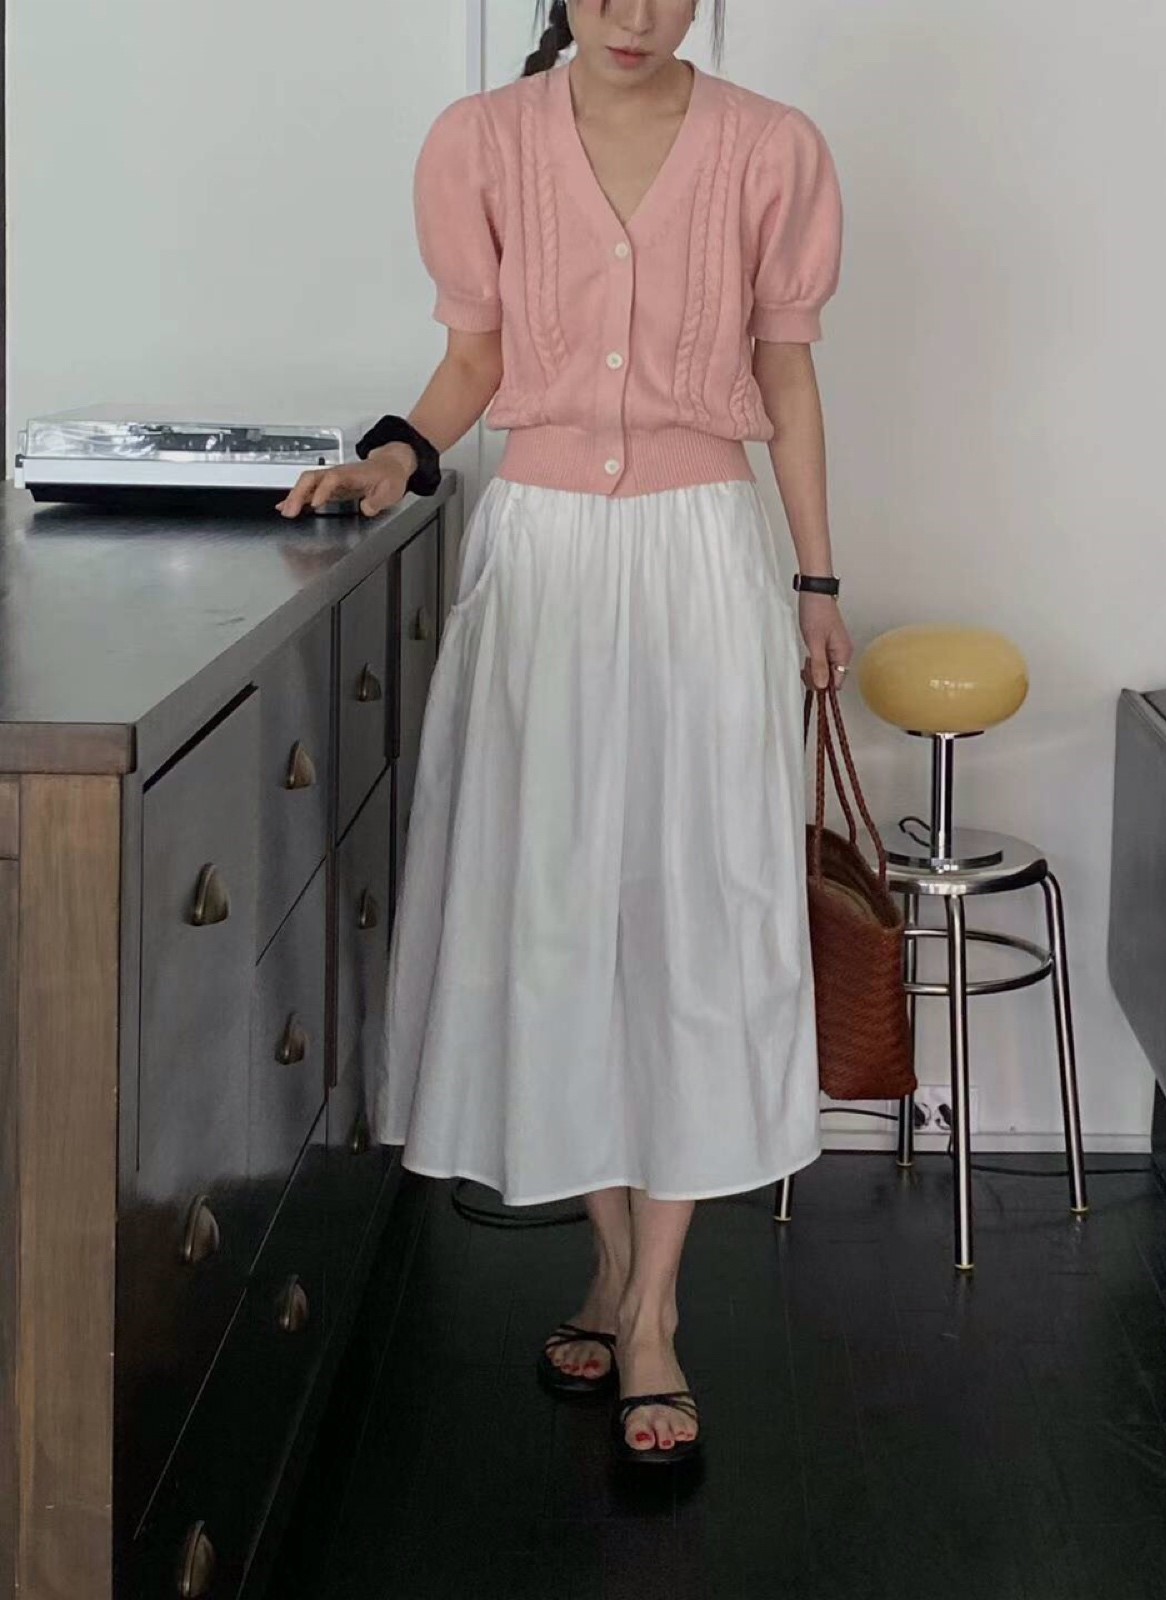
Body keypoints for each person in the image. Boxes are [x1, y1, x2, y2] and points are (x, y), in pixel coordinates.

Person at [278, 0, 852, 1467]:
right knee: (555, 908)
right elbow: (474, 362)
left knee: (695, 908)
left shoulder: (772, 149)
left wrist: (817, 581)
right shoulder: (480, 144)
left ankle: (655, 1309)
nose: (636, 13)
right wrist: (393, 457)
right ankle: (606, 1255)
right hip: (539, 559)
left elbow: (787, 378)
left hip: (701, 554)